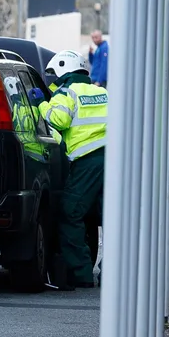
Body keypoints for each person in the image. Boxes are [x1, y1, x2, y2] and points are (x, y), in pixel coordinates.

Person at [29, 50, 107, 290]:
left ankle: (81, 274)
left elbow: (59, 120)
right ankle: (112, 271)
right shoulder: (100, 91)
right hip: (114, 161)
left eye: (55, 75)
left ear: (64, 70)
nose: (53, 80)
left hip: (88, 162)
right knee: (112, 218)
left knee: (70, 213)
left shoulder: (65, 92)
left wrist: (40, 102)